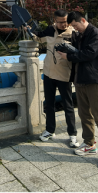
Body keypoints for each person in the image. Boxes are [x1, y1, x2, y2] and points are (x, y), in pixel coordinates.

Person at [55, 11, 98, 170]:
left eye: (75, 25)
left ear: (83, 20)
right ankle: (89, 144)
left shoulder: (96, 34)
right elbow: (75, 49)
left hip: (95, 80)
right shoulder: (79, 34)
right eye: (72, 27)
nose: (75, 29)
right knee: (84, 114)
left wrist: (68, 56)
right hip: (81, 79)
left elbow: (89, 54)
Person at [28, 9, 79, 148]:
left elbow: (78, 53)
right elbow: (39, 37)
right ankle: (50, 130)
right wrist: (29, 31)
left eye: (66, 21)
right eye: (60, 22)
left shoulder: (73, 34)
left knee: (68, 105)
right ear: (55, 21)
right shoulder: (50, 30)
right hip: (49, 73)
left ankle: (73, 134)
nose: (64, 24)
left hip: (64, 74)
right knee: (49, 103)